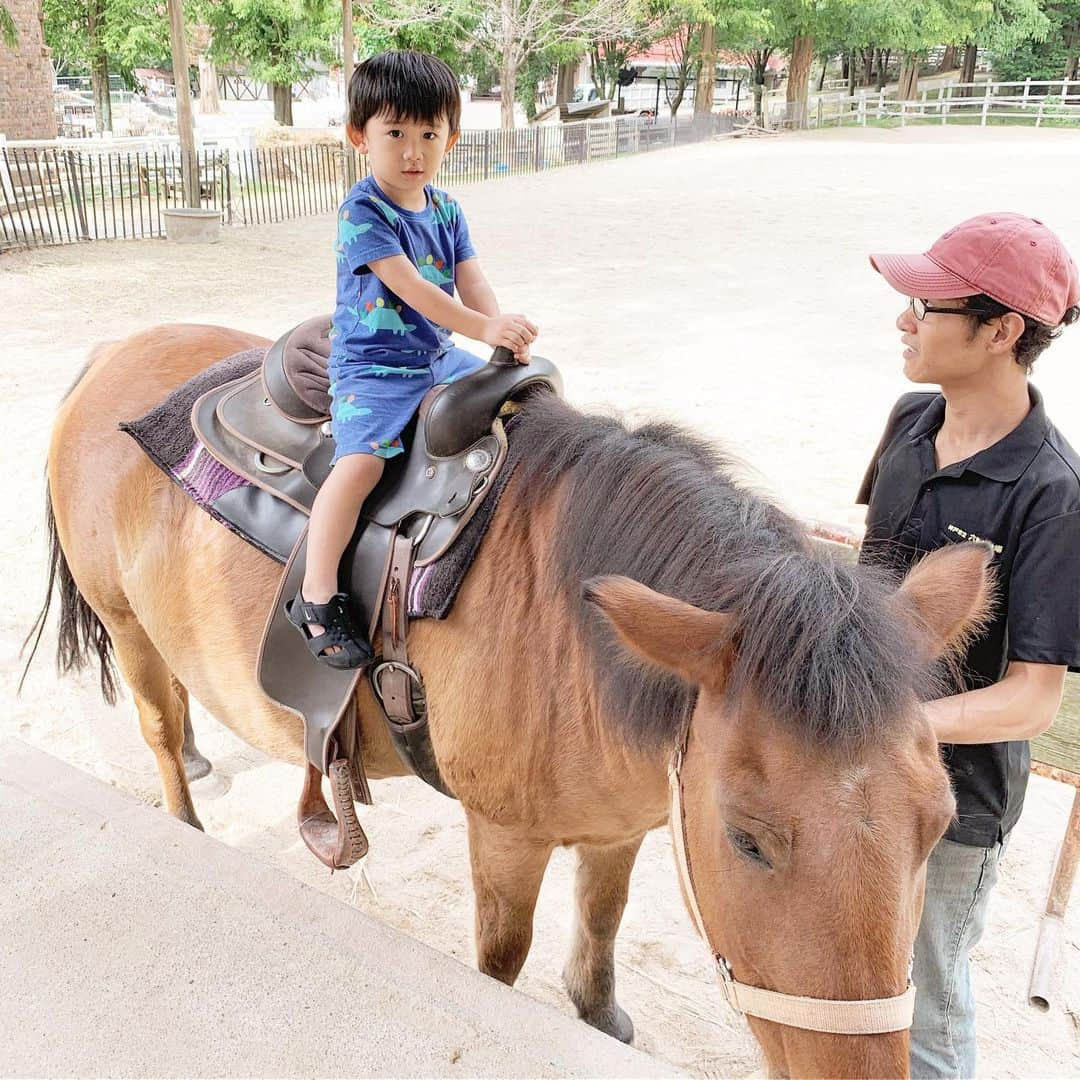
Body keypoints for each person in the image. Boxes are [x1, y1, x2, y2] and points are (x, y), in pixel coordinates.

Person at [857, 212, 1080, 1078]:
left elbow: (1034, 697)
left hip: (959, 802)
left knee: (928, 996)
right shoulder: (911, 422)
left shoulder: (1052, 493)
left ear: (1001, 331)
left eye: (926, 304)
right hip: (860, 763)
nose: (903, 320)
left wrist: (894, 717)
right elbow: (870, 586)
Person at [288, 50, 538, 667]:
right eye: (394, 132)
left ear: (450, 139)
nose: (412, 151)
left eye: (428, 134)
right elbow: (413, 288)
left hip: (435, 357)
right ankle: (317, 594)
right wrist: (483, 326)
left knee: (525, 406)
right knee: (361, 467)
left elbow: (469, 279)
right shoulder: (363, 210)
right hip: (373, 369)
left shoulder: (447, 209)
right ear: (359, 136)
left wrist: (499, 338)